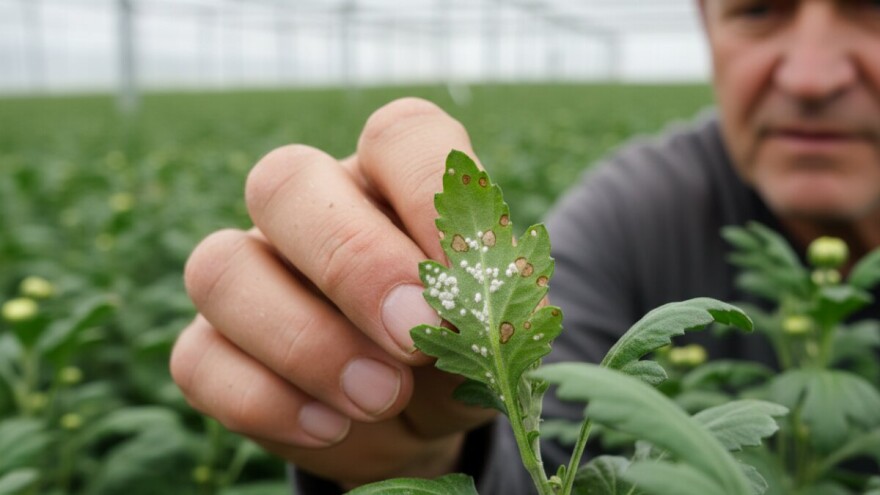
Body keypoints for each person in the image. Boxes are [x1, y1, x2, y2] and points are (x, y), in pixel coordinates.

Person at [170, 0, 880, 493]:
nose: (811, 77)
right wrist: (419, 453)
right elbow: (542, 456)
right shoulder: (629, 219)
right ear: (707, 23)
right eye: (758, 9)